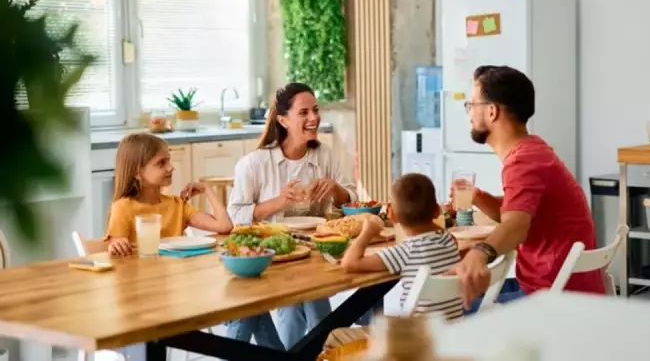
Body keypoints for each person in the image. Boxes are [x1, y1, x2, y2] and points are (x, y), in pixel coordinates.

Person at [450, 65, 605, 310]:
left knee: (441, 315)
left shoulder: (522, 161)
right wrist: (478, 197)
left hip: (552, 300)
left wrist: (479, 252)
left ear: (491, 111)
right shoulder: (534, 149)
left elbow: (516, 227)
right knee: (455, 298)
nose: (469, 113)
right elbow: (517, 212)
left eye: (472, 105)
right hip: (566, 290)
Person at [227, 82, 358, 349]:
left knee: (302, 306)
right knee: (308, 308)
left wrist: (335, 189)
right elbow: (236, 215)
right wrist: (278, 202)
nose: (314, 118)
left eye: (316, 110)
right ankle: (323, 348)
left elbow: (353, 199)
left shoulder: (325, 154)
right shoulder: (255, 164)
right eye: (304, 113)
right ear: (283, 120)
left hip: (319, 253)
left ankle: (308, 351)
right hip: (275, 259)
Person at [341, 173, 463, 320]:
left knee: (334, 335)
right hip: (451, 335)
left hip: (414, 340)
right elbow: (440, 231)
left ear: (392, 215)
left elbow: (349, 263)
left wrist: (367, 232)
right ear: (437, 210)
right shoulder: (449, 240)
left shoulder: (405, 252)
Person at [105, 133, 234, 256]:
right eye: (161, 163)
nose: (171, 167)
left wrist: (207, 189)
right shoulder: (122, 208)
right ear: (137, 173)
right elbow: (117, 248)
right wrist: (116, 246)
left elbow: (224, 226)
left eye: (169, 160)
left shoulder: (177, 205)